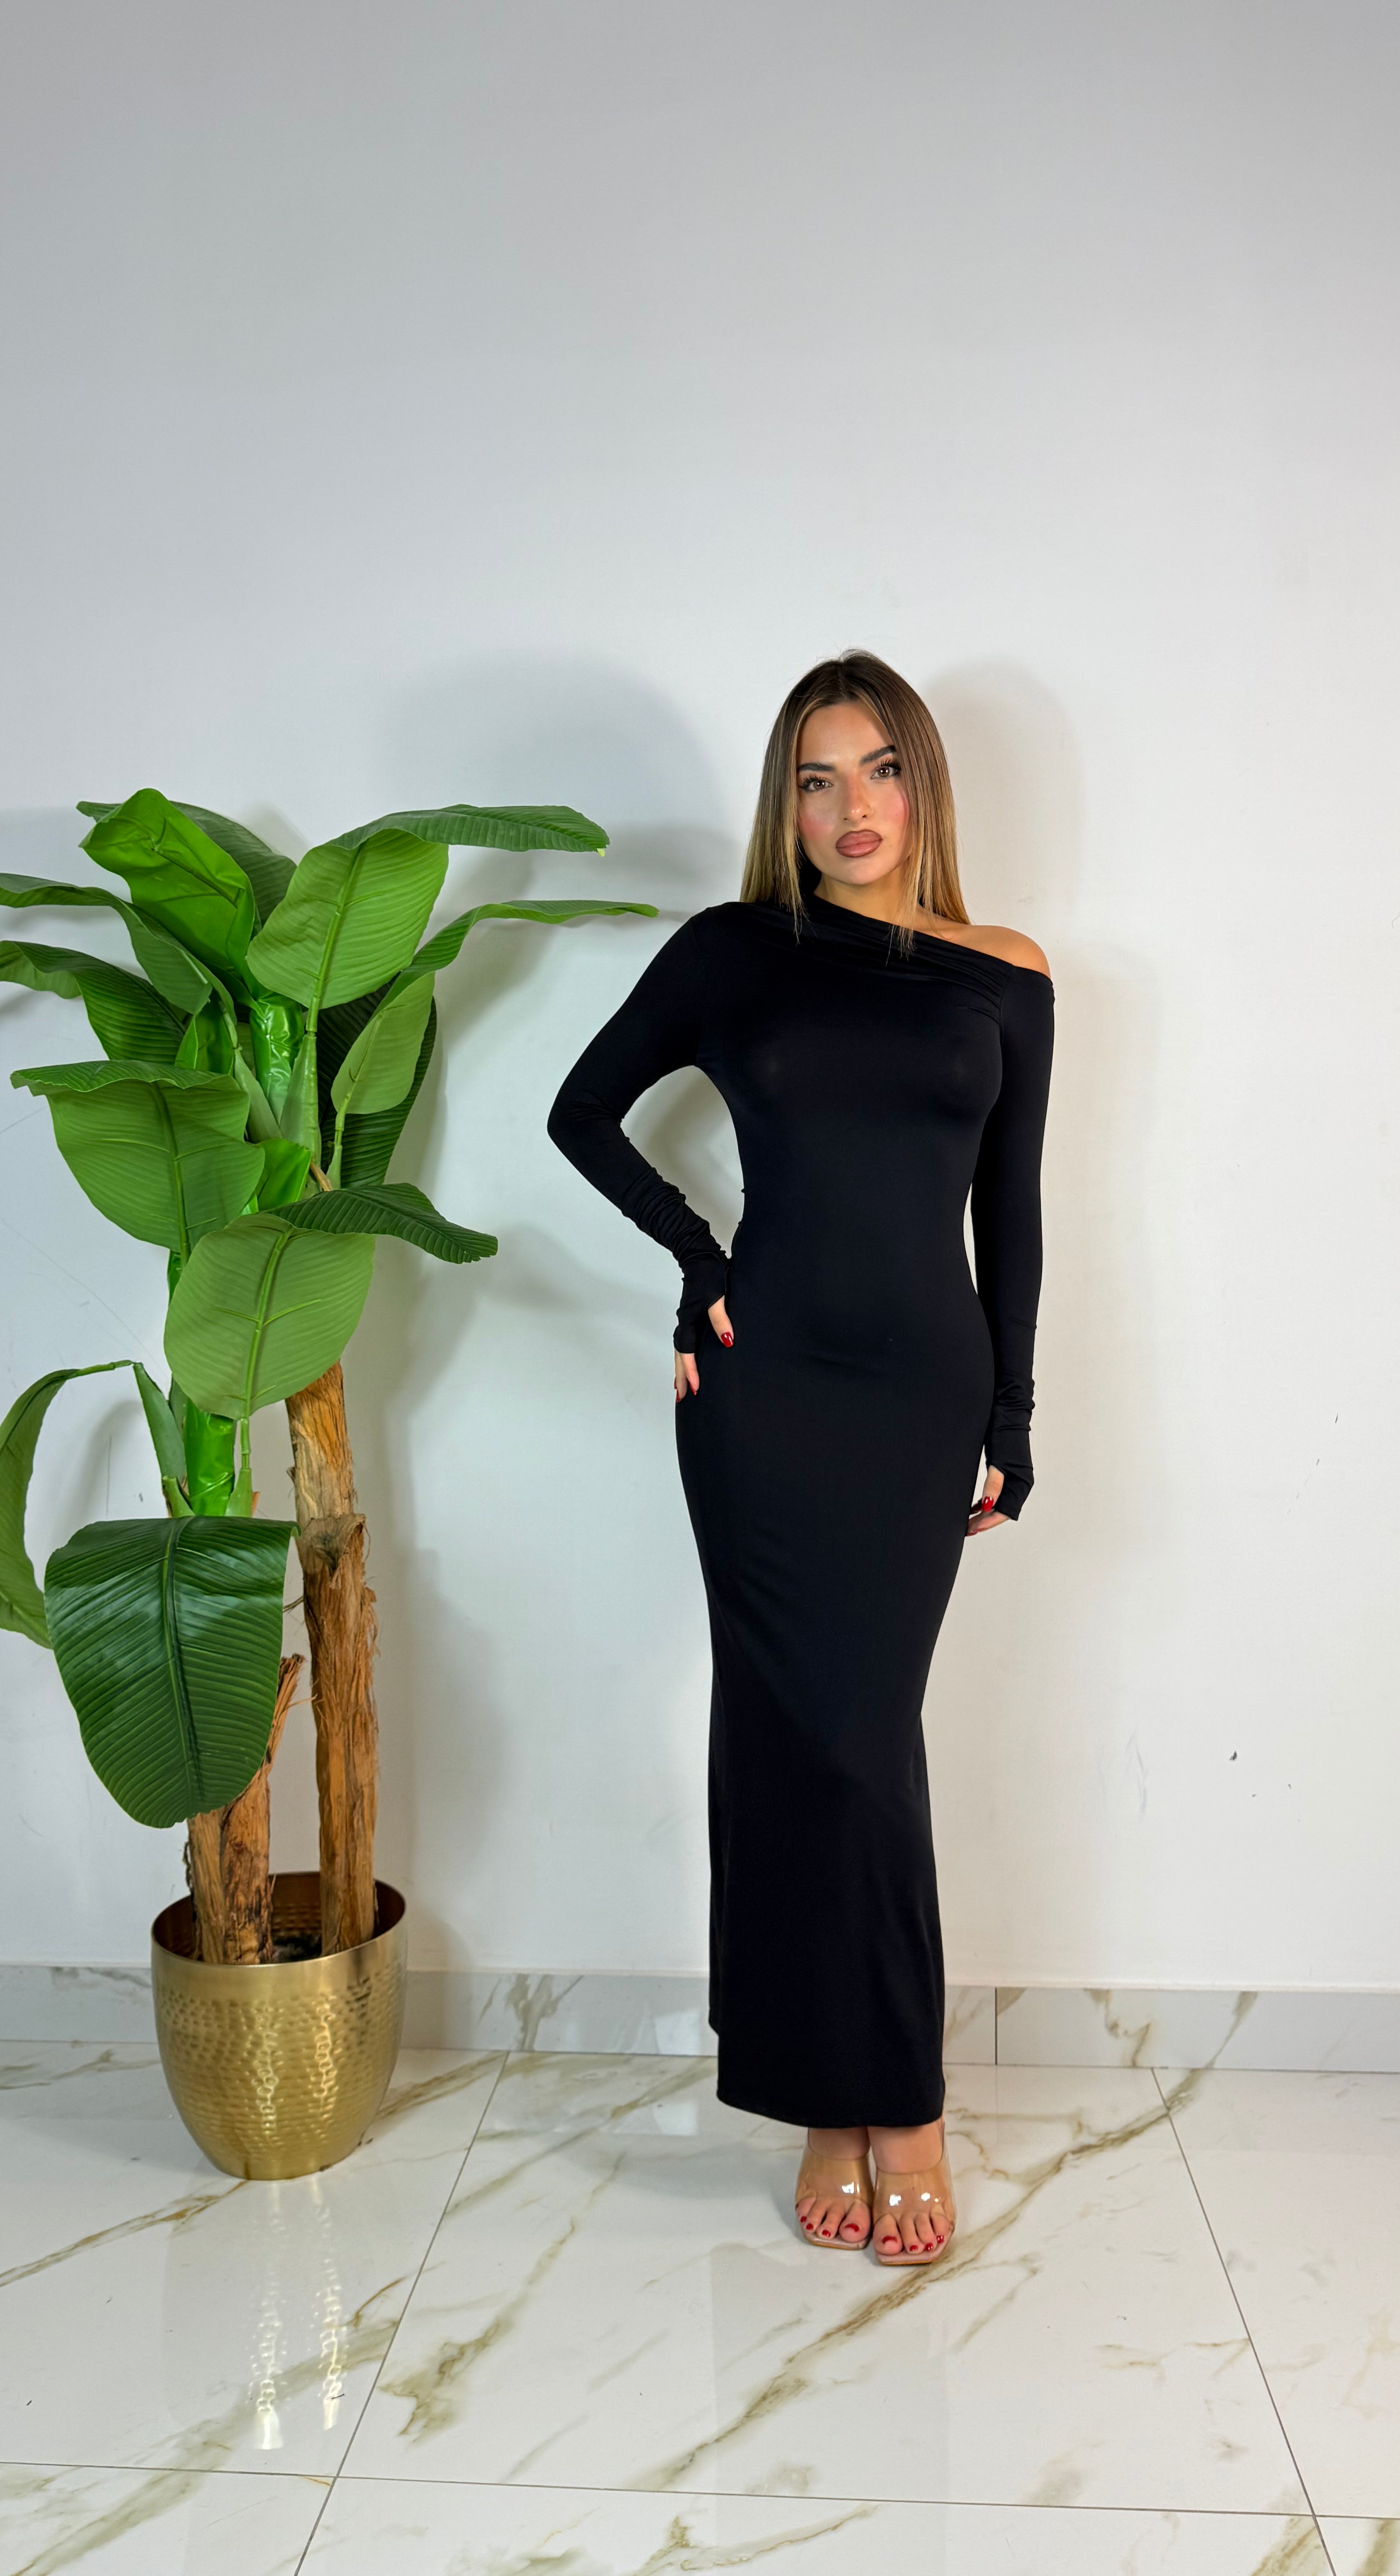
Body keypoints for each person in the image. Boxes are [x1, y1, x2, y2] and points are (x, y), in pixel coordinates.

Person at [546, 651, 1053, 2266]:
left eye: (881, 769)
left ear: (924, 786)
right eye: (818, 779)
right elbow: (580, 1112)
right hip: (761, 1398)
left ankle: (900, 2102)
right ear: (787, 802)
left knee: (862, 1741)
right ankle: (835, 2102)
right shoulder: (732, 952)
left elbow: (1011, 1213)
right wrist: (698, 1259)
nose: (852, 808)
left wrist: (1013, 1412)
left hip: (917, 1396)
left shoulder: (1006, 976)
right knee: (787, 1739)